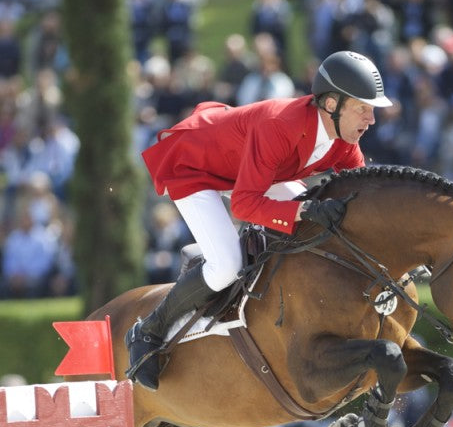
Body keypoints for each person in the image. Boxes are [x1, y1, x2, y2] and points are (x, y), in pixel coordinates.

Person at [126, 50, 392, 390]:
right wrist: (305, 211)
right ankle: (148, 330)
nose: (371, 119)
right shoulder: (280, 126)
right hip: (195, 168)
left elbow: (363, 197)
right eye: (363, 108)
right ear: (331, 105)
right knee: (226, 265)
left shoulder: (343, 139)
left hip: (250, 172)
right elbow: (244, 205)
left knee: (307, 219)